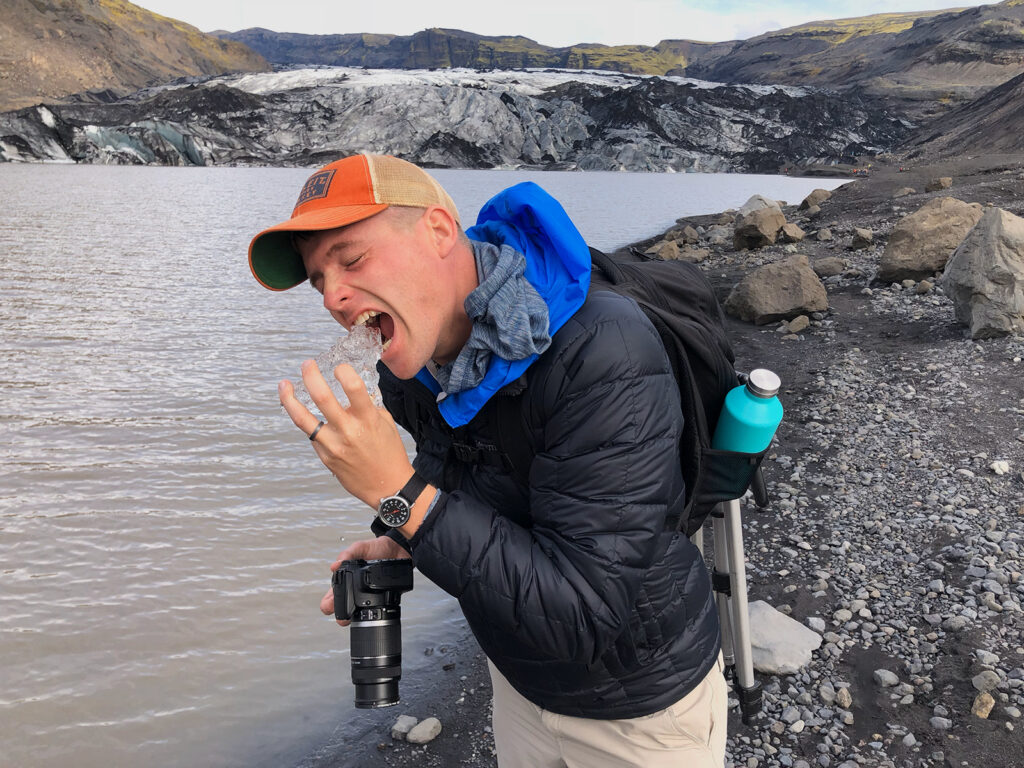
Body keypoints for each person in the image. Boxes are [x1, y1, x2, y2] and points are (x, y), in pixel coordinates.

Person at [248, 153, 727, 767]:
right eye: (319, 280)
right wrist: (397, 539)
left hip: (641, 709)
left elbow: (584, 616)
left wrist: (399, 496)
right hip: (521, 681)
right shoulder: (414, 366)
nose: (334, 297)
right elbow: (455, 472)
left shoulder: (604, 352)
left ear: (440, 231)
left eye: (352, 258)